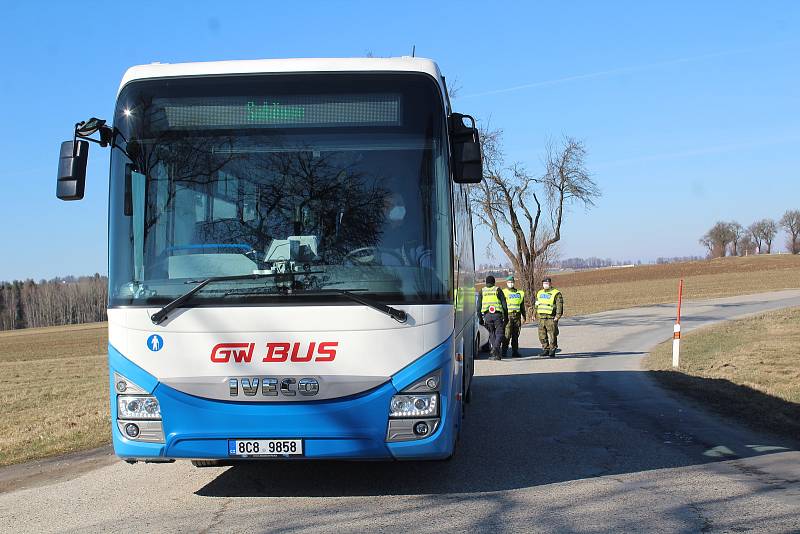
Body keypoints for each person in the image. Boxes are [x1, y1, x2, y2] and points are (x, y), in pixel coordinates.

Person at [478, 275, 508, 360]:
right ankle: (496, 348)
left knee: (491, 333)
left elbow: (478, 306)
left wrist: (480, 318)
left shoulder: (482, 291)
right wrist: (506, 316)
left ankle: (496, 355)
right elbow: (504, 304)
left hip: (487, 315)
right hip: (497, 315)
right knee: (500, 332)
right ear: (494, 282)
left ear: (486, 283)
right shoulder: (497, 290)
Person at [535, 277, 563, 357]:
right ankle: (545, 349)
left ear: (550, 284)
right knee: (542, 335)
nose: (545, 285)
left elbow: (559, 305)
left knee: (552, 334)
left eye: (547, 283)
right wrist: (534, 314)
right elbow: (536, 304)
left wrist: (558, 316)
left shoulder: (556, 293)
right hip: (541, 317)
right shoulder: (539, 293)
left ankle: (552, 349)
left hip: (551, 317)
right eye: (544, 283)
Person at [501, 275, 526, 358]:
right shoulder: (503, 292)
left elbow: (522, 306)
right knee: (507, 334)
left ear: (514, 282)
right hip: (508, 316)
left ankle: (515, 352)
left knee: (516, 335)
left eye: (512, 282)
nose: (510, 283)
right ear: (506, 283)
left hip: (517, 316)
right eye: (509, 282)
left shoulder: (520, 293)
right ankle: (504, 352)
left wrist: (524, 316)